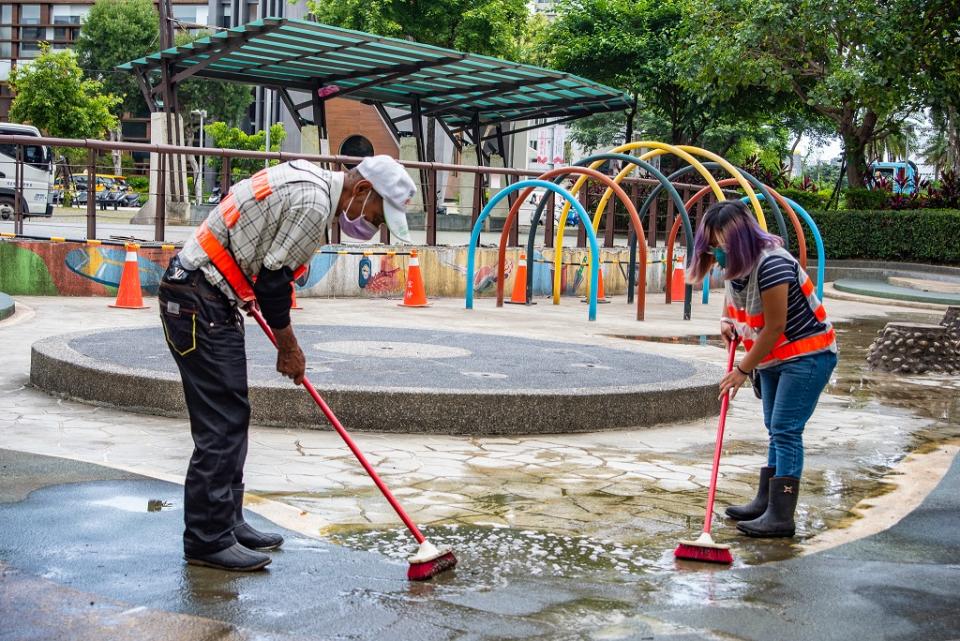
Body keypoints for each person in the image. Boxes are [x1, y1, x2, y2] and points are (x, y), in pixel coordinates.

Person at [159, 156, 416, 571]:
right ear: (363, 190)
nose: (373, 225)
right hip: (196, 299)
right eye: (375, 215)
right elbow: (274, 279)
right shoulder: (314, 203)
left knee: (232, 412)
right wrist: (289, 348)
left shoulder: (312, 182)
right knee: (221, 420)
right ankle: (207, 539)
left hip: (207, 296)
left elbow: (263, 262)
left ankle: (227, 521)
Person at [686, 200, 837, 538]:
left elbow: (774, 326)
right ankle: (766, 501)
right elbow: (736, 300)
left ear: (738, 241)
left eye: (719, 246)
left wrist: (741, 370)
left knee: (785, 428)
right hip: (772, 358)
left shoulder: (773, 265)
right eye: (710, 246)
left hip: (807, 356)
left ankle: (781, 516)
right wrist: (727, 322)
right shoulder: (737, 266)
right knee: (774, 426)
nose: (715, 253)